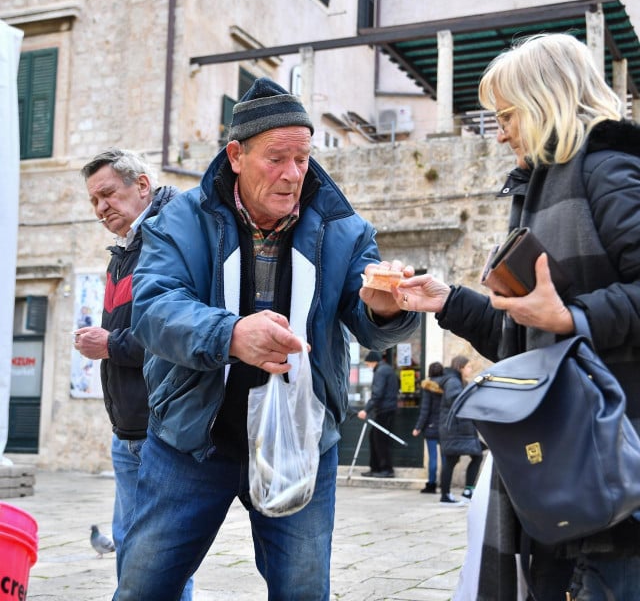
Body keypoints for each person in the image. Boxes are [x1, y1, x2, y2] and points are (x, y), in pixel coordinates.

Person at [115, 77, 419, 601]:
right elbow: (153, 309)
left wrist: (387, 307)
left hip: (298, 441)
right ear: (235, 155)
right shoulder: (179, 221)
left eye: (302, 158)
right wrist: (229, 334)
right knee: (145, 587)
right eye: (276, 158)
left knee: (302, 591)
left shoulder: (345, 230)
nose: (293, 174)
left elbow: (367, 320)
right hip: (193, 439)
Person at [389, 33, 640, 599]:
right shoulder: (542, 187)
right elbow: (522, 338)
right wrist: (446, 301)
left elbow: (557, 322)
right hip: (564, 467)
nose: (499, 132)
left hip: (613, 471)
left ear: (547, 100)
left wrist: (575, 318)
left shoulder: (609, 172)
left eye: (506, 115)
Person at [74, 149, 194, 601]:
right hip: (127, 430)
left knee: (161, 555)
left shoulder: (174, 238)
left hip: (162, 428)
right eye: (94, 201)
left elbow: (182, 331)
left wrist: (110, 344)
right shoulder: (121, 253)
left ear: (142, 186)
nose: (102, 207)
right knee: (131, 545)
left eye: (108, 193)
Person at [437, 355, 483, 506]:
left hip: (458, 429)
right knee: (472, 457)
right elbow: (454, 399)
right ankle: (459, 493)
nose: (470, 369)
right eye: (468, 366)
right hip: (455, 429)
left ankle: (457, 493)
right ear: (460, 367)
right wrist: (473, 391)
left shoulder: (457, 381)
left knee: (457, 459)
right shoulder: (453, 381)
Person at [357, 350, 400, 478]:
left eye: (367, 364)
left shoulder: (381, 371)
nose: (367, 367)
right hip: (385, 409)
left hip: (384, 411)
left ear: (372, 362)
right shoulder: (386, 369)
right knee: (374, 438)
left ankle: (386, 469)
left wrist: (366, 410)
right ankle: (375, 468)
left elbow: (378, 393)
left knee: (380, 441)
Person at [412, 361, 444, 493]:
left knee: (433, 458)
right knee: (446, 458)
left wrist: (418, 427)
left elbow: (425, 410)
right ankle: (445, 484)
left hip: (431, 427)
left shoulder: (428, 387)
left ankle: (431, 484)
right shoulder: (447, 385)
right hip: (444, 426)